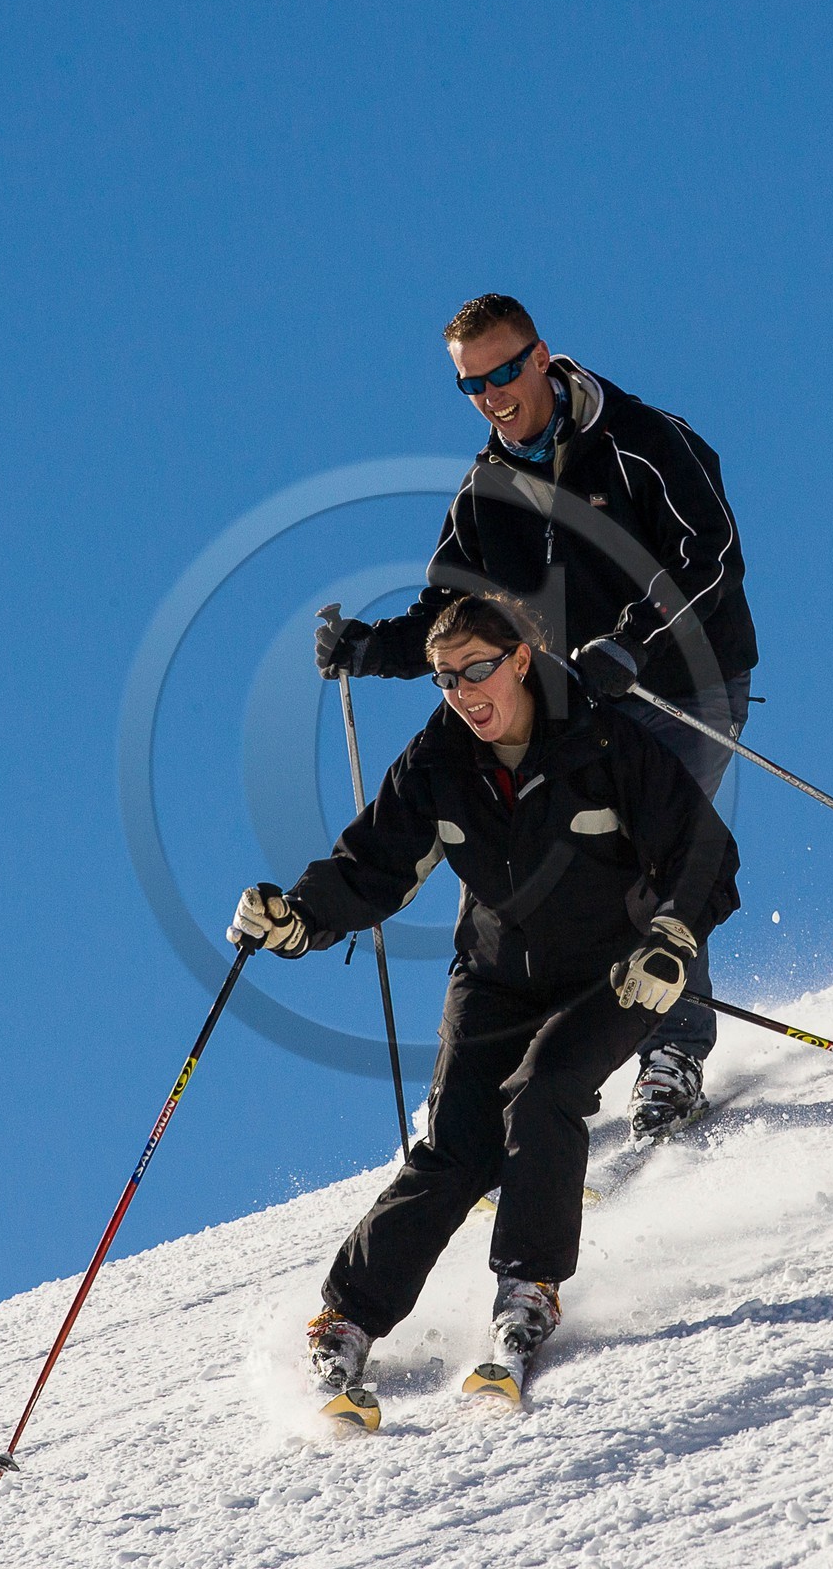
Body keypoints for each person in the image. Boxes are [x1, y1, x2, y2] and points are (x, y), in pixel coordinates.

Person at [238, 594, 739, 1394]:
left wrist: (672, 938)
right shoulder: (437, 762)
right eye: (444, 679)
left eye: (477, 670)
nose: (464, 693)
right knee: (455, 1147)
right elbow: (373, 865)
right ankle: (346, 1318)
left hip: (612, 975)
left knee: (544, 1094)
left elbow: (702, 852)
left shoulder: (601, 736)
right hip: (496, 974)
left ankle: (527, 1290)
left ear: (520, 660)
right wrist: (298, 919)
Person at [314, 293, 758, 1138]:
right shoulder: (487, 490)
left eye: (506, 370)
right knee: (499, 865)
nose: (494, 394)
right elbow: (453, 616)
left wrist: (633, 643)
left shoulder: (642, 443)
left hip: (680, 685)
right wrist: (374, 649)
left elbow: (713, 562)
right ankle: (477, 1087)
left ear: (542, 356)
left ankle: (672, 1048)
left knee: (639, 848)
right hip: (568, 704)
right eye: (472, 385)